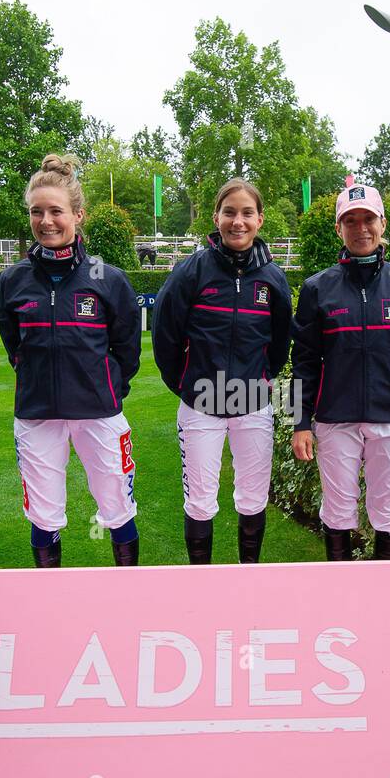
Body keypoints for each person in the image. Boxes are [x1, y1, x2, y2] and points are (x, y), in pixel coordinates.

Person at [0, 153, 142, 568]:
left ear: (77, 215)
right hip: (37, 413)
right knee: (43, 512)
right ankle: (49, 600)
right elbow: (14, 346)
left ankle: (129, 593)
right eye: (36, 212)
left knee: (118, 505)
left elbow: (127, 349)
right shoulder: (13, 279)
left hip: (99, 412)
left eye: (56, 211)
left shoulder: (107, 277)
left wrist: (106, 385)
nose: (46, 221)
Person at [290, 184, 390, 561]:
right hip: (334, 420)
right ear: (338, 229)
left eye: (368, 219)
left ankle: (382, 604)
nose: (360, 229)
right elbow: (304, 361)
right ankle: (342, 600)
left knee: (389, 515)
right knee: (339, 514)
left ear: (382, 223)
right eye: (350, 221)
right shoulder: (317, 288)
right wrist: (300, 422)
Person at [152, 178, 292, 564]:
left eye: (247, 213)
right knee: (200, 501)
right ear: (216, 217)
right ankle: (204, 583)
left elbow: (281, 341)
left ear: (260, 219)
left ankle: (248, 577)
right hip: (200, 405)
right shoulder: (191, 272)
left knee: (252, 496)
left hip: (252, 406)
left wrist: (262, 380)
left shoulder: (273, 279)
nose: (238, 221)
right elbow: (164, 334)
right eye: (229, 212)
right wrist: (185, 385)